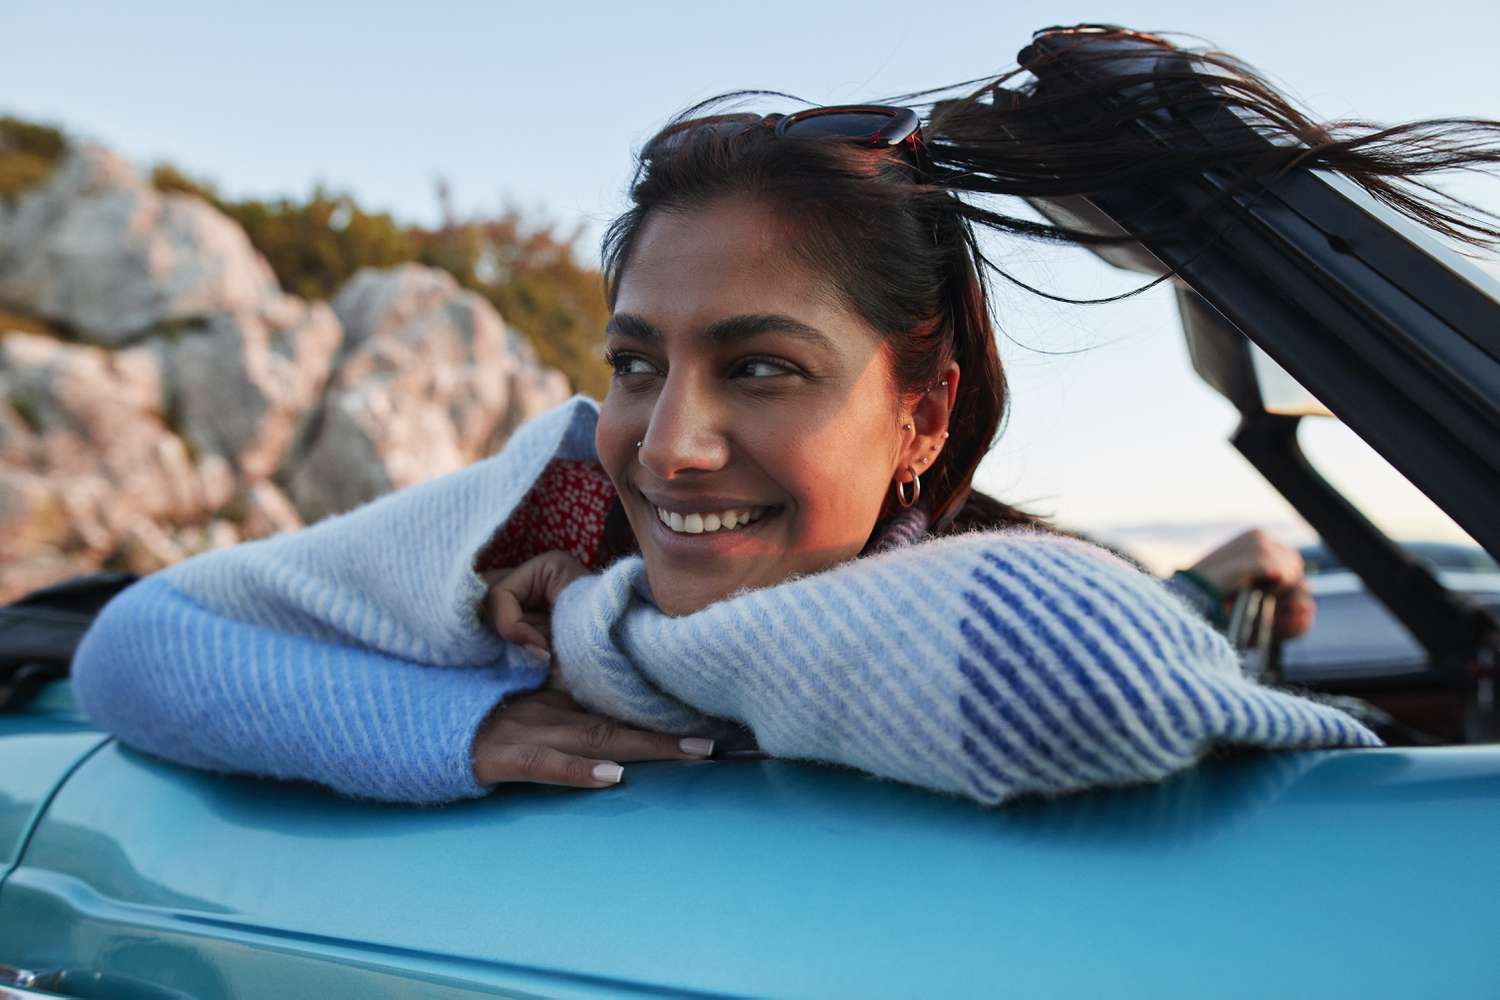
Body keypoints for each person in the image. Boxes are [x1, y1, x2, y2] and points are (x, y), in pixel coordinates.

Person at [70, 27, 1499, 806]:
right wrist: (467, 729)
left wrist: (1219, 584)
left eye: (761, 368)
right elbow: (139, 644)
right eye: (640, 362)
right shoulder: (548, 516)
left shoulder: (919, 583)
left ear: (923, 417)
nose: (670, 443)